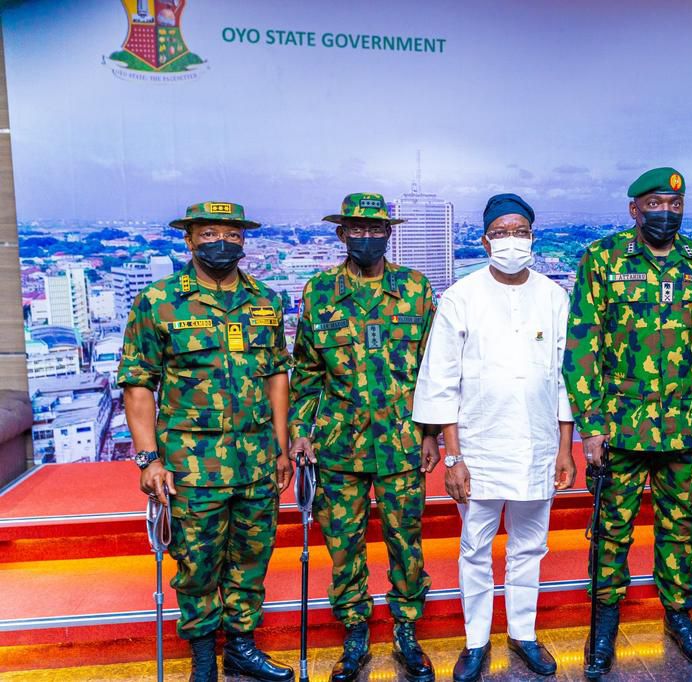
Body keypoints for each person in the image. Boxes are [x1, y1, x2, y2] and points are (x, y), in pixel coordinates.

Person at [562, 167, 692, 674]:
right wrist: (591, 425)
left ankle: (679, 616)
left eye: (675, 204)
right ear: (634, 209)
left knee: (681, 528)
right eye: (656, 204)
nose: (666, 212)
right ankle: (604, 623)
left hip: (686, 429)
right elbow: (582, 345)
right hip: (620, 428)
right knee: (611, 531)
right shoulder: (603, 259)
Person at [118, 201, 294, 682]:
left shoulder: (265, 300)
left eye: (232, 235)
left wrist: (281, 448)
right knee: (196, 565)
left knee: (251, 559)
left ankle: (241, 648)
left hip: (256, 460)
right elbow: (138, 383)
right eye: (210, 233)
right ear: (190, 239)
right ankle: (202, 659)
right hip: (191, 467)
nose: (222, 243)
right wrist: (148, 460)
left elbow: (277, 376)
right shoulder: (159, 300)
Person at [412, 193, 576, 682]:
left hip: (538, 447)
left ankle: (523, 633)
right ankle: (476, 640)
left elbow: (564, 378)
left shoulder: (554, 296)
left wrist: (565, 449)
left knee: (530, 547)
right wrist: (453, 457)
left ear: (532, 237)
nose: (511, 241)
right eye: (501, 233)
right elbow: (441, 380)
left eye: (519, 231)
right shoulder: (461, 297)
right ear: (485, 241)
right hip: (477, 450)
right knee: (475, 549)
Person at [289, 193, 439, 682]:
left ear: (389, 234)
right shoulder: (320, 291)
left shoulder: (415, 289)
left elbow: (433, 370)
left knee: (406, 542)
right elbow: (307, 371)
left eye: (376, 229)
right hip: (338, 445)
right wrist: (301, 432)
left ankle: (406, 631)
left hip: (401, 443)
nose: (367, 237)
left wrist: (432, 434)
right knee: (344, 546)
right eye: (357, 229)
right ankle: (355, 633)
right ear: (342, 234)